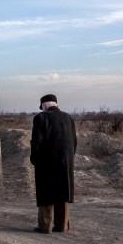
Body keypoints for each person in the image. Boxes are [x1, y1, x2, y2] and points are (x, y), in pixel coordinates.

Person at [30, 93, 77, 233]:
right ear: (56, 104)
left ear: (44, 105)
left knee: (46, 192)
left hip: (46, 163)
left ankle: (45, 226)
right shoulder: (68, 118)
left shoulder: (41, 118)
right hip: (66, 162)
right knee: (63, 192)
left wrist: (35, 159)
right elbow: (74, 142)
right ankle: (62, 226)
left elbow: (36, 142)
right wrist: (69, 158)